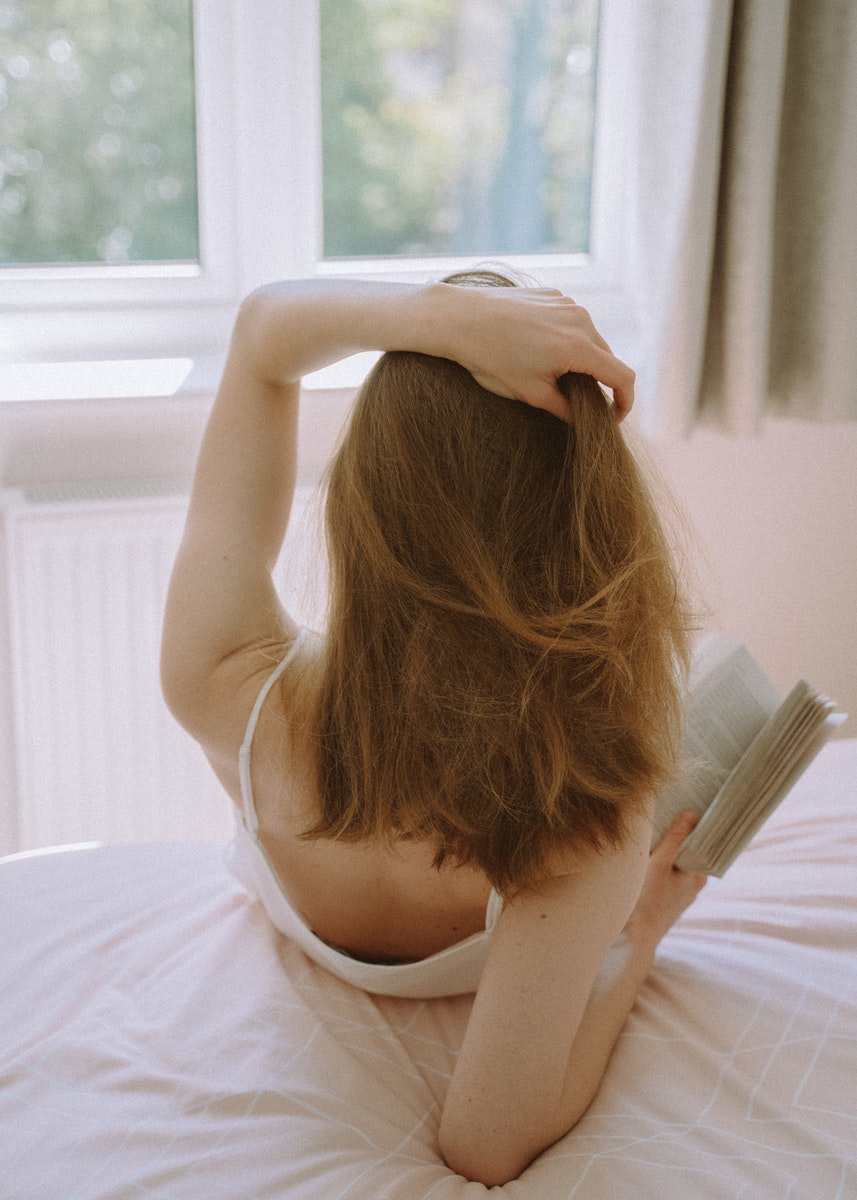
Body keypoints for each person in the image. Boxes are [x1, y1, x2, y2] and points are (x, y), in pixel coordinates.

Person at [160, 269, 706, 1187]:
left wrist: (433, 319)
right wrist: (640, 932)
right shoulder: (586, 820)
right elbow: (487, 1146)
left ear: (361, 504)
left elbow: (262, 336)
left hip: (296, 900)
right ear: (593, 526)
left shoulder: (222, 680)